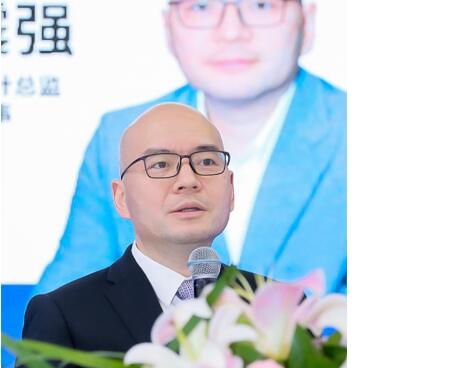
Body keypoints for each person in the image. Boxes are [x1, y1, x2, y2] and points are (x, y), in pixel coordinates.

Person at [33, 0, 346, 299]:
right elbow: (57, 311)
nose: (231, 32)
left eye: (261, 5)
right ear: (168, 27)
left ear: (308, 21)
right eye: (201, 6)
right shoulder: (118, 135)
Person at [20, 103, 246, 368]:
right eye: (160, 164)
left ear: (231, 188)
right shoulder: (63, 316)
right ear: (121, 198)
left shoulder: (277, 306)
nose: (188, 180)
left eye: (207, 162)